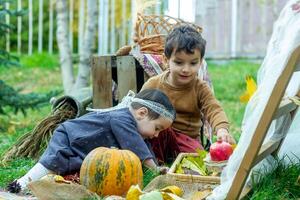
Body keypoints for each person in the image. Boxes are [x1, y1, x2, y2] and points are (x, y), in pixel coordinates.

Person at [8, 89, 176, 193]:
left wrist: (159, 169)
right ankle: (22, 182)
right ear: (141, 113)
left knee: (72, 171)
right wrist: (155, 170)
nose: (156, 135)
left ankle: (47, 184)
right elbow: (139, 150)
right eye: (157, 128)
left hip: (85, 149)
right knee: (53, 162)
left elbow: (146, 151)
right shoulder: (122, 118)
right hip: (70, 137)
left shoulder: (137, 128)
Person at [141, 25, 236, 164]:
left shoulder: (200, 87)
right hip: (159, 134)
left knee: (198, 159)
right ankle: (157, 164)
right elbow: (138, 108)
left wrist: (221, 129)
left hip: (187, 139)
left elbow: (213, 109)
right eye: (179, 63)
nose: (186, 69)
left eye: (193, 63)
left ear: (200, 62)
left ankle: (182, 162)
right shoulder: (154, 84)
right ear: (166, 60)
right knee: (152, 135)